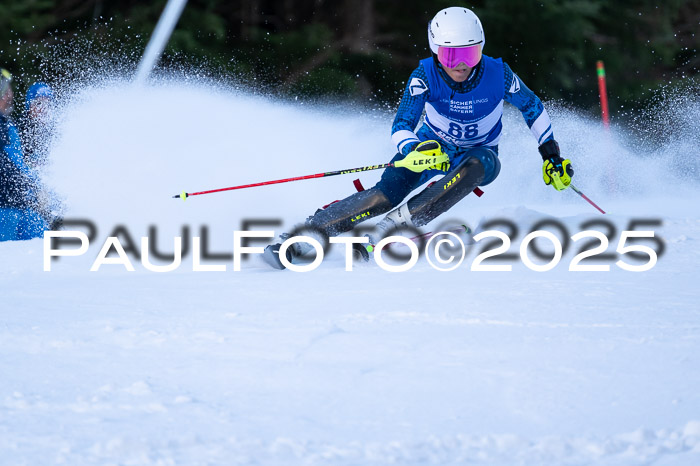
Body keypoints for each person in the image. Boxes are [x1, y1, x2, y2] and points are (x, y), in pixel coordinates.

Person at [263, 6, 574, 269]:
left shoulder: (499, 74)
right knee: (384, 195)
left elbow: (532, 107)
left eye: (470, 53)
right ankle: (306, 233)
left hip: (478, 153)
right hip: (429, 147)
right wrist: (413, 150)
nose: (462, 65)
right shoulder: (423, 77)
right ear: (436, 52)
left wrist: (551, 155)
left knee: (477, 166)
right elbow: (401, 124)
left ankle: (394, 225)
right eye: (452, 57)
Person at [0, 68, 48, 241]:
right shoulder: (9, 128)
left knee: (48, 244)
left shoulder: (7, 124)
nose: (10, 95)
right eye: (7, 91)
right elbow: (15, 164)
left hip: (22, 204)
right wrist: (36, 185)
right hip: (6, 206)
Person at [22, 82, 55, 168]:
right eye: (38, 104)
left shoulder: (54, 130)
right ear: (29, 106)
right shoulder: (21, 130)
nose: (43, 109)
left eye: (48, 104)